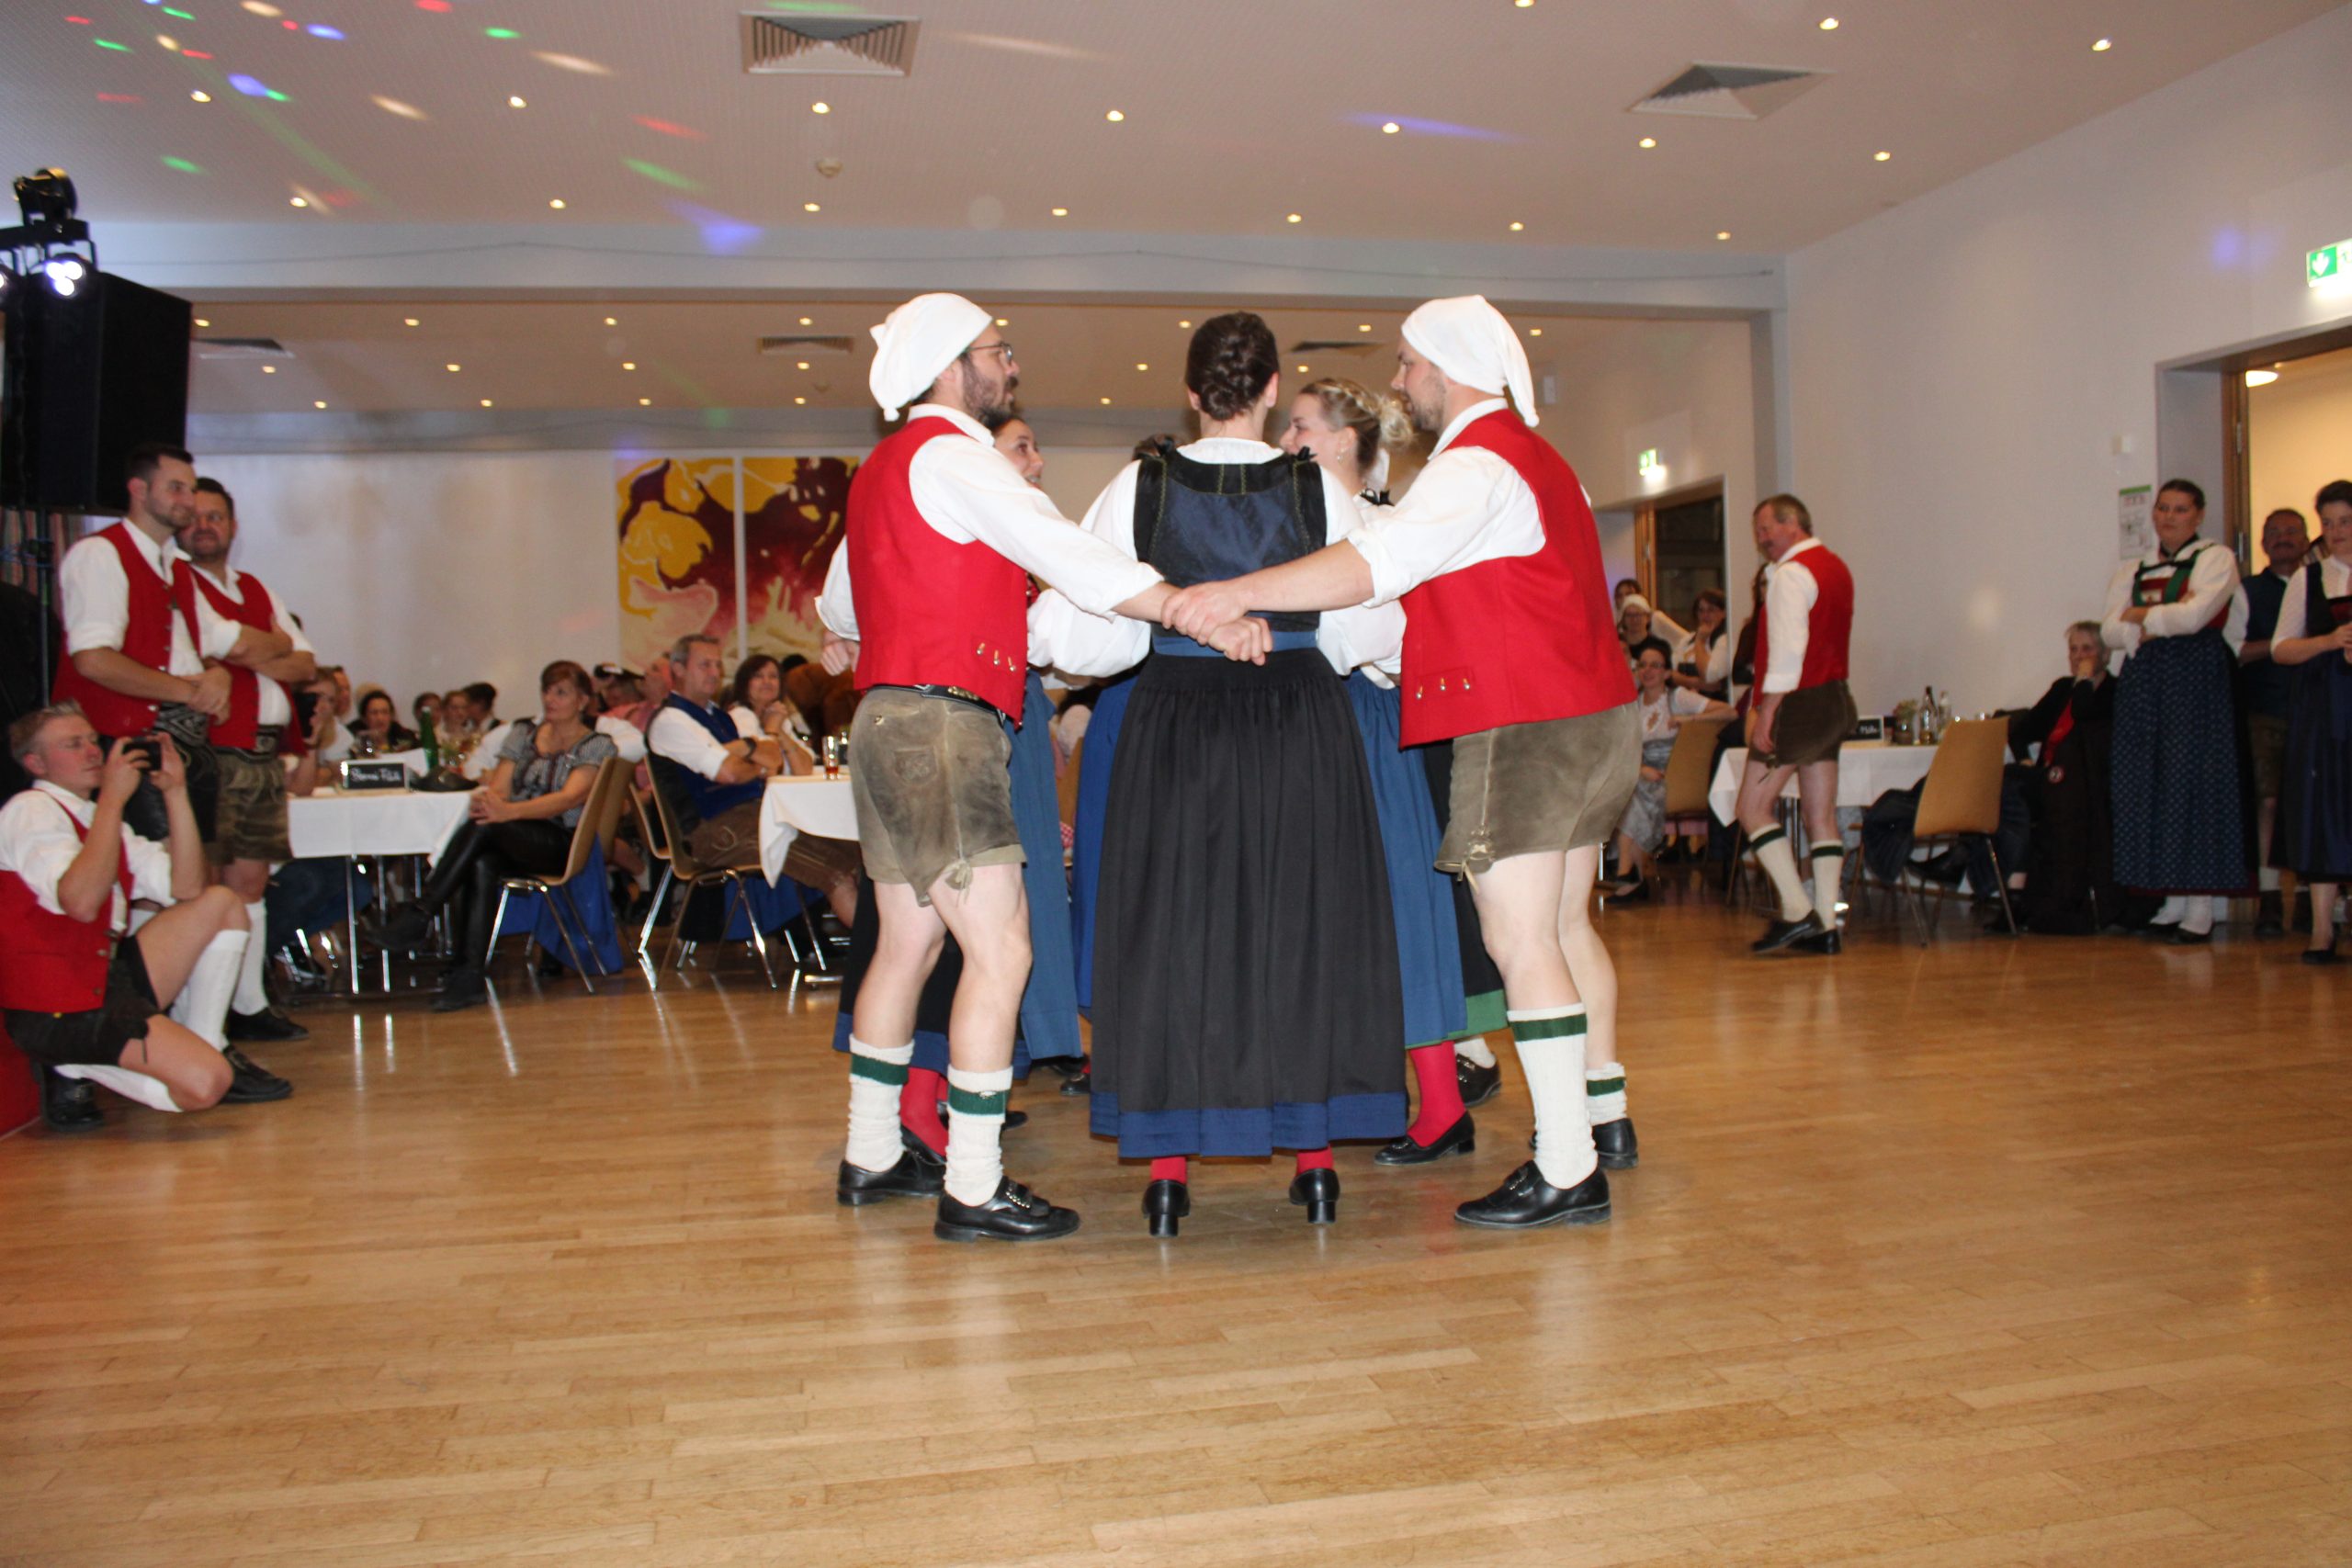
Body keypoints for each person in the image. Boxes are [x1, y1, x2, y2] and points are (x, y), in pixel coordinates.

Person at [1163, 294, 1641, 1230]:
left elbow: (1372, 566)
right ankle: (1602, 1112)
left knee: (1520, 942)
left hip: (1524, 723)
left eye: (1409, 362)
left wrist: (1232, 592)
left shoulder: (1475, 464)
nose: (1398, 380)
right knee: (1564, 927)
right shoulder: (1544, 460)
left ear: (1448, 366)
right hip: (1596, 717)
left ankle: (1566, 1164)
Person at [832, 291, 1253, 1244]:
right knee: (1003, 950)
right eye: (997, 350)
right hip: (945, 725)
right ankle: (974, 1185)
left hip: (886, 716)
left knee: (905, 945)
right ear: (951, 364)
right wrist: (1180, 606)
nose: (1011, 365)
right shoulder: (954, 456)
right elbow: (1060, 550)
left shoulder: (882, 469)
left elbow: (844, 606)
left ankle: (872, 1152)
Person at [1027, 318, 1405, 1236]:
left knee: (1174, 929)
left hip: (1178, 722)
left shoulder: (1139, 485)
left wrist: (1171, 629)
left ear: (1193, 393)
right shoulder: (1319, 488)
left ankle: (1167, 1170)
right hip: (1297, 718)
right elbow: (1376, 629)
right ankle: (1314, 1164)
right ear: (1273, 390)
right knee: (1301, 923)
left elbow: (1077, 636)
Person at [1278, 374, 1489, 1168]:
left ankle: (1441, 1102)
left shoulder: (1376, 527)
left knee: (1403, 902)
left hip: (1364, 719)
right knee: (1327, 916)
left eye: (1300, 426)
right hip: (1316, 721)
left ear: (1341, 442)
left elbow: (1390, 643)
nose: (1286, 439)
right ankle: (1348, 1099)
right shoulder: (1302, 522)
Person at [2, 706, 288, 1128]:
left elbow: (188, 888)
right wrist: (113, 799)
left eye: (92, 741)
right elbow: (80, 903)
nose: (92, 752)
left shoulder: (96, 817)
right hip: (55, 1006)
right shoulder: (32, 809)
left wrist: (176, 793)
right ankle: (69, 1062)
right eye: (72, 744)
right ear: (36, 764)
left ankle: (209, 1041)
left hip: (100, 980)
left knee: (221, 902)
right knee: (206, 1085)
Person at [51, 444, 276, 842]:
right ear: (139, 490)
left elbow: (199, 647)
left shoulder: (177, 568)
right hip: (131, 745)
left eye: (191, 489)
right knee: (153, 866)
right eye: (176, 488)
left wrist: (218, 675)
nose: (188, 500)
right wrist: (190, 692)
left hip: (185, 747)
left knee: (192, 864)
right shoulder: (101, 554)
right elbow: (93, 660)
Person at [370, 660, 619, 1010]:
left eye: (561, 692)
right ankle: (467, 976)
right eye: (547, 690)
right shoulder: (523, 734)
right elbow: (500, 787)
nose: (550, 699)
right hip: (512, 834)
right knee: (482, 859)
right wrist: (495, 805)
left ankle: (421, 914)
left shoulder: (597, 744)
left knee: (487, 828)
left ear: (582, 701)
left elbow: (569, 798)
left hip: (562, 840)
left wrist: (507, 812)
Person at [180, 477, 318, 1046]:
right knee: (208, 885)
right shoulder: (177, 581)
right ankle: (202, 1018)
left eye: (215, 517)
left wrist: (248, 652)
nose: (204, 526)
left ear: (233, 526)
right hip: (212, 753)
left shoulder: (255, 587)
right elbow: (238, 646)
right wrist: (270, 647)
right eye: (195, 516)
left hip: (263, 755)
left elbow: (305, 663)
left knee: (252, 884)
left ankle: (249, 1003)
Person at [2102, 478, 2251, 943]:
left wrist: (2141, 617)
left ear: (2199, 514)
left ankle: (2201, 904)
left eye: (2180, 509)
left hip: (2196, 680)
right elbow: (2109, 631)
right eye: (2163, 508)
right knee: (2150, 783)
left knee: (2195, 783)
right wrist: (2158, 620)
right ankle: (2171, 899)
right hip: (2145, 684)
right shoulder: (2133, 567)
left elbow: (2196, 616)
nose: (2169, 517)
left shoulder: (2216, 559)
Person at [649, 634, 860, 926]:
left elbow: (769, 761)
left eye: (718, 665)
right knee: (835, 873)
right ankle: (878, 952)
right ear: (679, 669)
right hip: (715, 829)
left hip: (756, 815)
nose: (714, 673)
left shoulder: (717, 716)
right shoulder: (671, 720)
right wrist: (752, 757)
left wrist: (745, 754)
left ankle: (881, 943)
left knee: (856, 852)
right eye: (705, 665)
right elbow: (731, 772)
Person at [1733, 494, 1858, 957]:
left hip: (1799, 702)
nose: (1762, 539)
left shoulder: (1791, 574)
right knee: (1820, 816)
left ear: (1794, 523)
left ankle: (1795, 908)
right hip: (1834, 699)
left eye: (1767, 529)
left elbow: (1788, 651)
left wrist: (1767, 709)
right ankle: (1826, 925)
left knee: (1751, 808)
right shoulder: (1836, 568)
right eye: (1758, 532)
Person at [2267, 479, 2352, 964]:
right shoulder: (2308, 579)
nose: (2336, 531)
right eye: (2328, 523)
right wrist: (2328, 642)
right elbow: (2280, 649)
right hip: (2323, 710)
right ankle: (2321, 931)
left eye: (2345, 521)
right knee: (2323, 812)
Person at [2004, 621, 2120, 933]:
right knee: (2002, 788)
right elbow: (2020, 730)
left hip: (2084, 788)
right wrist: (2026, 759)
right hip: (2047, 779)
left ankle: (2014, 894)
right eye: (2073, 650)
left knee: (2011, 795)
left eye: (2087, 649)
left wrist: (2083, 681)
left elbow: (2083, 711)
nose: (2079, 657)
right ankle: (2014, 893)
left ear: (2105, 654)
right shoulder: (2061, 689)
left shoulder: (2113, 692)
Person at [1610, 638, 1735, 898]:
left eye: (1655, 665)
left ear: (1667, 672)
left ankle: (1627, 871)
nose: (1648, 671)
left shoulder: (1677, 697)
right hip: (1644, 774)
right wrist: (1641, 769)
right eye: (1643, 665)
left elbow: (1729, 712)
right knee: (1628, 787)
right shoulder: (1634, 703)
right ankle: (1631, 876)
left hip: (1676, 778)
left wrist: (1690, 720)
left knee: (1632, 790)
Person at [2239, 507, 2311, 937]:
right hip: (2264, 708)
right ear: (2263, 542)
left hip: (2315, 712)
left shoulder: (2322, 585)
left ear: (2306, 539)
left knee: (2308, 804)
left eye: (2292, 531)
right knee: (2268, 803)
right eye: (2275, 532)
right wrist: (2284, 645)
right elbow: (2235, 650)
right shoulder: (2246, 591)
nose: (2283, 538)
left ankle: (2306, 897)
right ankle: (2268, 898)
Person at [727, 654, 815, 752]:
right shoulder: (740, 715)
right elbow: (763, 758)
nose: (767, 682)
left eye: (773, 676)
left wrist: (780, 731)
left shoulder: (778, 715)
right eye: (758, 676)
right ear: (744, 683)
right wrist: (772, 728)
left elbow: (807, 760)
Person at [1671, 588, 1733, 700]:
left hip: (1714, 703)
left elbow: (1709, 676)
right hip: (1684, 701)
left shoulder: (1725, 640)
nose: (1705, 615)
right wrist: (1694, 682)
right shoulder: (1687, 639)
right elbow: (1669, 672)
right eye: (1701, 610)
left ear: (1724, 613)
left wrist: (1700, 641)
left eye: (1711, 610)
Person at [351, 689, 417, 754]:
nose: (380, 718)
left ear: (391, 716)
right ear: (364, 718)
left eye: (385, 712)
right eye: (374, 713)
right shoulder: (352, 741)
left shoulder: (405, 737)